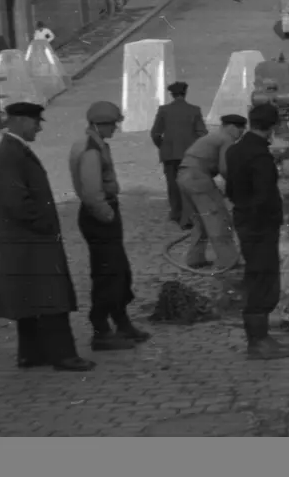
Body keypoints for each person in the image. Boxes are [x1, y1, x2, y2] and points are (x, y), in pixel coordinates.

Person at [0, 102, 95, 372]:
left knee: (29, 298)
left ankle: (31, 353)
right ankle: (64, 355)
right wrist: (45, 224)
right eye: (36, 122)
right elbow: (16, 202)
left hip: (23, 242)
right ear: (21, 121)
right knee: (51, 298)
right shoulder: (10, 154)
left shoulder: (12, 151)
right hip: (31, 240)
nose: (38, 127)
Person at [70, 101, 151, 351]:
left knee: (119, 272)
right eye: (112, 124)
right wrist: (107, 216)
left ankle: (121, 321)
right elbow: (93, 193)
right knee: (108, 274)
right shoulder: (91, 150)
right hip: (100, 215)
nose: (115, 129)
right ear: (99, 124)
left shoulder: (92, 144)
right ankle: (101, 330)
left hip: (101, 214)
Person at [225, 103, 289, 361]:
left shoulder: (235, 150)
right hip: (261, 225)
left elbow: (231, 189)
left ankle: (261, 337)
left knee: (256, 275)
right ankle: (258, 340)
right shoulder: (261, 157)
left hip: (244, 220)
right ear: (273, 126)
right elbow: (265, 196)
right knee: (263, 279)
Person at [176, 114, 247, 269]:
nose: (241, 134)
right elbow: (224, 168)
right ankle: (229, 260)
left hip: (183, 175)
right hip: (198, 177)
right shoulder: (226, 139)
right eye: (241, 130)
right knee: (217, 218)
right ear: (232, 128)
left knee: (201, 221)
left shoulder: (214, 136)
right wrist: (235, 186)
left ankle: (195, 258)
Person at [150, 81, 207, 228]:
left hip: (169, 154)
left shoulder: (164, 110)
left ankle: (176, 212)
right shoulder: (194, 110)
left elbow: (155, 133)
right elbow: (202, 133)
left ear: (172, 95)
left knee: (173, 184)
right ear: (185, 93)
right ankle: (188, 215)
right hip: (189, 154)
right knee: (188, 184)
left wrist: (162, 146)